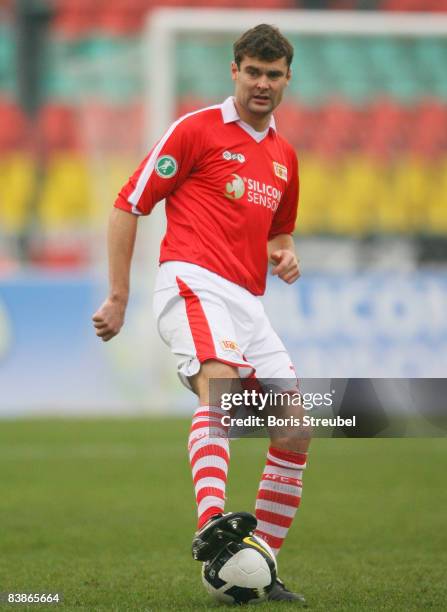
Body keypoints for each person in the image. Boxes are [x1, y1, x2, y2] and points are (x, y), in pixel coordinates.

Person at [93, 24, 309, 602]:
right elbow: (128, 202)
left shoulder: (284, 157)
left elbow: (278, 232)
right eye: (253, 72)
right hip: (192, 282)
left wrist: (284, 255)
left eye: (274, 74)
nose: (262, 83)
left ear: (288, 79)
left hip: (249, 303)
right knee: (222, 385)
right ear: (234, 71)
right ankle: (212, 523)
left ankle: (258, 566)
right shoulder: (196, 130)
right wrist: (119, 295)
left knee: (295, 426)